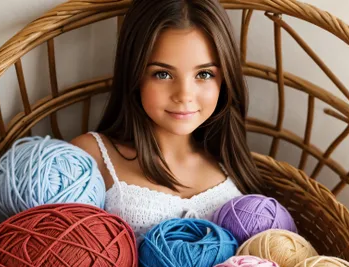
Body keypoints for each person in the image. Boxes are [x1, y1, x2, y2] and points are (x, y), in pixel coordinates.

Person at [71, 0, 262, 239]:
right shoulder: (92, 156)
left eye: (204, 74)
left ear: (224, 79)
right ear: (135, 74)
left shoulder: (229, 159)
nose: (184, 95)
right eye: (162, 74)